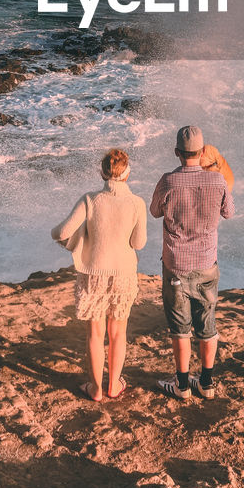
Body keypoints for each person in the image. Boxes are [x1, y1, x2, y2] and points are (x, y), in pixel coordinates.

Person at [51, 147, 147, 402]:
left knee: (95, 334)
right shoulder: (137, 203)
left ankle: (95, 389)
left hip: (93, 274)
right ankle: (114, 385)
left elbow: (61, 233)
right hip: (124, 275)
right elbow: (139, 243)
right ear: (127, 173)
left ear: (102, 173)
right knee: (118, 333)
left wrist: (72, 241)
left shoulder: (90, 199)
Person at [150, 125, 234, 400]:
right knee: (207, 325)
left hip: (176, 264)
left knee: (180, 329)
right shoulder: (218, 181)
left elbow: (154, 212)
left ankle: (182, 385)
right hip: (207, 263)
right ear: (202, 151)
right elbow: (229, 213)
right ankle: (207, 384)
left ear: (177, 152)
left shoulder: (168, 181)